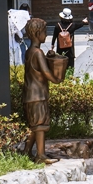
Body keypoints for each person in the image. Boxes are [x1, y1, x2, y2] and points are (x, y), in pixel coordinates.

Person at [23, 18, 64, 164]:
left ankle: (26, 152)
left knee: (35, 126)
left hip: (30, 94)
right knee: (40, 125)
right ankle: (40, 155)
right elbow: (46, 72)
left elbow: (38, 68)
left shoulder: (30, 51)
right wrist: (56, 79)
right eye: (44, 32)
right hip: (38, 95)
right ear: (37, 33)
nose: (46, 35)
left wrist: (49, 57)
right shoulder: (38, 52)